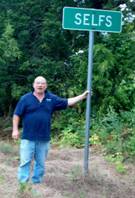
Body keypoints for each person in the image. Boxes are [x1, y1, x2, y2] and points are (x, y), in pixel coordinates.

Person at [12, 76, 89, 184]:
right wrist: (15, 130)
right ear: (34, 85)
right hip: (28, 137)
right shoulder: (25, 98)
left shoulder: (51, 98)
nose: (40, 85)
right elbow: (16, 115)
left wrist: (82, 96)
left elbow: (67, 102)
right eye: (38, 83)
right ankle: (23, 185)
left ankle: (36, 183)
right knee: (25, 162)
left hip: (44, 138)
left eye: (42, 83)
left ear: (46, 85)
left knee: (41, 164)